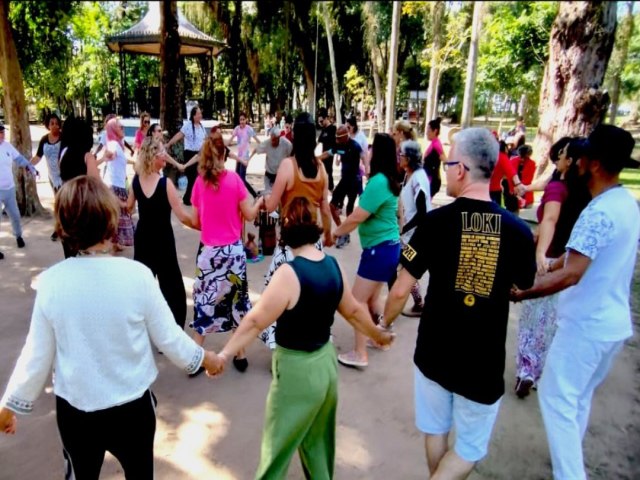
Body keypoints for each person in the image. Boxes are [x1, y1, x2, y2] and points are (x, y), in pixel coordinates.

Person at [0, 176, 222, 478]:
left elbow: (36, 355)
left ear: (63, 224)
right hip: (133, 408)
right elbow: (170, 339)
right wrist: (207, 360)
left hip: (76, 411)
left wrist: (10, 403)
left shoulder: (52, 282)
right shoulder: (138, 276)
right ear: (110, 218)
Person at [383, 127, 536, 479]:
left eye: (448, 163)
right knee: (468, 448)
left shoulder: (435, 224)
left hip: (435, 352)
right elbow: (524, 283)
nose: (444, 171)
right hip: (482, 362)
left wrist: (384, 323)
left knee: (436, 431)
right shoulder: (518, 231)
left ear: (462, 169)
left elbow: (399, 289)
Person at [210, 197, 395, 479]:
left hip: (297, 372)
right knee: (318, 445)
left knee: (276, 451)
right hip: (326, 367)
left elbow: (256, 321)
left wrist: (224, 354)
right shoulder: (332, 266)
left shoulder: (289, 273)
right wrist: (376, 334)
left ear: (286, 228)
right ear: (315, 227)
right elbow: (355, 312)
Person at [511, 124, 640, 480]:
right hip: (611, 326)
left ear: (593, 164)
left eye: (582, 156)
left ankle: (570, 474)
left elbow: (573, 275)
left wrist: (524, 292)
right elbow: (580, 260)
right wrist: (552, 262)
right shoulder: (625, 204)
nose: (576, 162)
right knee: (577, 399)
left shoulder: (597, 213)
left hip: (586, 325)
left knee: (556, 397)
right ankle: (566, 461)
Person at [514, 136, 590, 399]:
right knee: (556, 320)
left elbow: (549, 218)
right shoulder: (589, 192)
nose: (557, 158)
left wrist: (541, 254)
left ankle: (526, 371)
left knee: (535, 318)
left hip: (551, 260)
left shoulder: (558, 189)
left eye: (562, 155)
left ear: (570, 162)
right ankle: (541, 371)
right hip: (576, 263)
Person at [186, 133, 264, 375]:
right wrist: (260, 202)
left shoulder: (200, 183)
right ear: (223, 154)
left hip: (209, 253)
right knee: (236, 301)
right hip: (233, 253)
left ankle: (195, 358)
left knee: (206, 302)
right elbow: (249, 215)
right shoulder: (234, 180)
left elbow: (196, 220)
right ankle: (239, 354)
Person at [260, 112, 334, 349]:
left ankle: (278, 343)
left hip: (289, 244)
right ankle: (312, 339)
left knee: (276, 294)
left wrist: (261, 201)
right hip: (314, 244)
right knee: (311, 295)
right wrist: (330, 235)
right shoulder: (321, 169)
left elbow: (271, 205)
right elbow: (325, 207)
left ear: (294, 137)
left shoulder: (287, 166)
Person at [334, 133, 401, 368]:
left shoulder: (379, 181)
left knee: (357, 301)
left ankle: (360, 353)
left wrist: (336, 232)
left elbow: (357, 216)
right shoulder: (387, 179)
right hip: (387, 249)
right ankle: (381, 339)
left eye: (371, 149)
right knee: (372, 300)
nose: (368, 152)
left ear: (378, 153)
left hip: (379, 250)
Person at [127, 137, 194, 330]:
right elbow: (182, 216)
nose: (166, 156)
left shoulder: (136, 181)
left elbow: (130, 208)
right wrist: (202, 226)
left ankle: (138, 327)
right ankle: (173, 330)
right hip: (162, 239)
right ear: (152, 156)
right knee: (172, 287)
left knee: (142, 285)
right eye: (162, 153)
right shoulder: (165, 184)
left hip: (143, 238)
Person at [58, 116, 101, 258]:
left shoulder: (63, 153)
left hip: (65, 202)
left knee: (69, 250)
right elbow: (96, 183)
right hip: (83, 205)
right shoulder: (87, 156)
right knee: (86, 250)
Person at [398, 140, 432, 317]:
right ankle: (417, 302)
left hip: (415, 236)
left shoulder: (418, 178)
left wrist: (403, 229)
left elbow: (422, 213)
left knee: (406, 266)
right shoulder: (408, 174)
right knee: (404, 266)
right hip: (408, 233)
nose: (399, 158)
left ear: (409, 158)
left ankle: (419, 302)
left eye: (401, 155)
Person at [0, 123, 38, 259]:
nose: (2, 134)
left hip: (9, 188)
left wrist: (29, 166)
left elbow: (19, 159)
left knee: (15, 215)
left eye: (3, 132)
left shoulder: (7, 146)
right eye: (0, 132)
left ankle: (18, 236)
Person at [101, 117, 134, 251]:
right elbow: (112, 154)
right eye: (120, 127)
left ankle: (113, 245)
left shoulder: (117, 143)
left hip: (117, 184)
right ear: (113, 129)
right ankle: (107, 248)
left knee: (116, 218)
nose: (123, 129)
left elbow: (120, 159)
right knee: (116, 218)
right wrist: (108, 155)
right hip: (114, 186)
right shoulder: (114, 144)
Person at [330, 125, 364, 248]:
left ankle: (345, 234)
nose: (336, 140)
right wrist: (315, 159)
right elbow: (328, 153)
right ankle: (341, 231)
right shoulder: (338, 145)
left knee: (350, 210)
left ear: (345, 136)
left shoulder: (355, 146)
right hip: (344, 181)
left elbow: (364, 157)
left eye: (339, 137)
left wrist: (368, 171)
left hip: (354, 182)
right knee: (332, 206)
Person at [31, 113, 63, 241]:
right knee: (58, 203)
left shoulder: (64, 137)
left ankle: (60, 229)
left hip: (63, 176)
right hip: (52, 176)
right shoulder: (44, 139)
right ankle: (60, 227)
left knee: (61, 203)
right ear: (48, 125)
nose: (54, 126)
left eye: (56, 123)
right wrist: (27, 164)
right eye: (52, 123)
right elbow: (38, 156)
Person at [166, 106, 206, 205]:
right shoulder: (188, 126)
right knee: (193, 177)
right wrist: (169, 144)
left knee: (199, 177)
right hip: (189, 154)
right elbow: (179, 135)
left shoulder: (201, 126)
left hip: (199, 154)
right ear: (193, 115)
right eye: (198, 114)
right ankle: (187, 198)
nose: (200, 115)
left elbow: (205, 139)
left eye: (201, 113)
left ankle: (193, 197)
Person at [249, 125, 292, 193]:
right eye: (271, 139)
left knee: (279, 196)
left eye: (274, 140)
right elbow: (256, 150)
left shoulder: (287, 144)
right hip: (269, 175)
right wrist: (248, 160)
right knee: (268, 195)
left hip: (280, 175)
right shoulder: (267, 143)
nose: (272, 142)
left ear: (279, 138)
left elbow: (291, 157)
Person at [228, 111, 260, 191]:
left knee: (242, 179)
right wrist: (225, 144)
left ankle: (251, 194)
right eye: (240, 119)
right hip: (238, 157)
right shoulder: (237, 129)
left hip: (245, 157)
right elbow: (230, 140)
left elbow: (257, 140)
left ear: (246, 120)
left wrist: (264, 146)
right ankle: (245, 195)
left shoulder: (249, 129)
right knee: (237, 177)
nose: (242, 121)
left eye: (243, 119)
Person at [489, 140, 525, 205]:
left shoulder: (481, 155)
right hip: (494, 191)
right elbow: (511, 171)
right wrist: (518, 184)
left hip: (478, 191)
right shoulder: (502, 156)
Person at [503, 144, 536, 212]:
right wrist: (513, 188)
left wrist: (519, 188)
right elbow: (509, 176)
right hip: (512, 191)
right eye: (522, 156)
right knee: (513, 209)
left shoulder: (531, 164)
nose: (522, 159)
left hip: (523, 191)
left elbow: (528, 179)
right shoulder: (513, 161)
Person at [423, 117, 447, 198]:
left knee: (425, 205)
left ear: (435, 131)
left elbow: (445, 159)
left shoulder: (436, 144)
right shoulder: (433, 143)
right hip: (429, 179)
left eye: (428, 130)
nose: (426, 133)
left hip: (432, 180)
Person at [317, 108, 337, 191]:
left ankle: (331, 189)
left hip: (330, 154)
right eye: (319, 122)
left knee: (328, 172)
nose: (320, 123)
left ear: (326, 119)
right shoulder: (323, 129)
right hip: (323, 154)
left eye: (321, 121)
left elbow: (336, 143)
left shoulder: (333, 129)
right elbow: (318, 141)